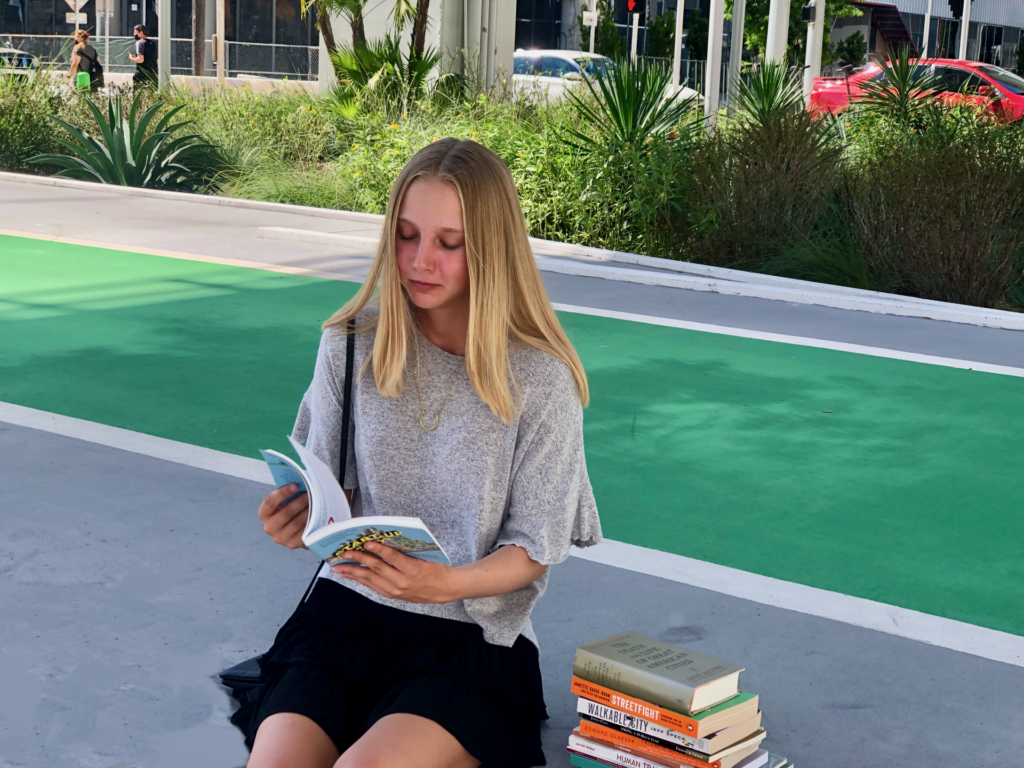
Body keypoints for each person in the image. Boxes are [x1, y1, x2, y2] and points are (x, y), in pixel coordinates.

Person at [236, 138, 602, 768]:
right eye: (405, 235)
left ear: (491, 249)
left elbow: (535, 549)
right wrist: (296, 523)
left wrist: (446, 584)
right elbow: (333, 503)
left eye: (448, 243)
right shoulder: (349, 345)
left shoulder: (541, 379)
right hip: (345, 616)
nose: (418, 261)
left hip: (473, 638)